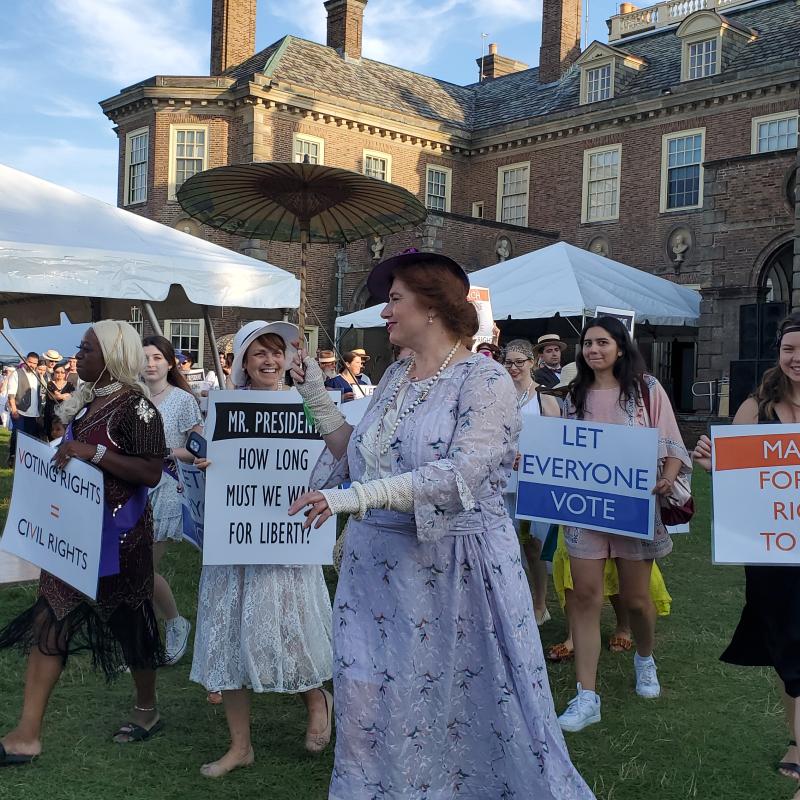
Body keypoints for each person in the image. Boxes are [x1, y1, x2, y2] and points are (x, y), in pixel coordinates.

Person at [288, 250, 594, 799]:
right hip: (375, 573)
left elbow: (459, 477)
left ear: (431, 307)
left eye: (395, 299)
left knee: (457, 699)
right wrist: (312, 387)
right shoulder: (395, 376)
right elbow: (356, 452)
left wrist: (352, 499)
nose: (385, 313)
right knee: (368, 696)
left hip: (455, 573)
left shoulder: (484, 379)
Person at [0, 320, 167, 765]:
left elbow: (151, 471)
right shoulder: (88, 402)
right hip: (71, 534)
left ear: (112, 357)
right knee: (50, 618)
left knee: (131, 625)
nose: (79, 356)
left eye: (88, 349)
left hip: (120, 537)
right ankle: (27, 733)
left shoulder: (138, 409)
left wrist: (88, 453)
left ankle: (147, 708)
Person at [190, 320, 333, 778]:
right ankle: (240, 746)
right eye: (260, 353)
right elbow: (205, 460)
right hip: (237, 541)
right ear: (244, 363)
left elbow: (334, 458)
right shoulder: (222, 407)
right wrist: (204, 461)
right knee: (231, 637)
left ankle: (316, 698)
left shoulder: (306, 405)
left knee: (288, 628)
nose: (270, 361)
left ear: (291, 359)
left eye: (278, 352)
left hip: (288, 538)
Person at [555, 316, 691, 733]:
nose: (593, 350)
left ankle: (645, 658)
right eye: (588, 344)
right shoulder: (573, 396)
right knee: (585, 598)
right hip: (583, 507)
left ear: (620, 346)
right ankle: (586, 695)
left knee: (636, 599)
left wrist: (668, 477)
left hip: (634, 506)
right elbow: (561, 447)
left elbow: (671, 443)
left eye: (602, 343)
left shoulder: (647, 390)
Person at [693, 312, 800, 789]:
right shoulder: (754, 409)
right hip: (773, 553)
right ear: (779, 354)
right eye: (790, 349)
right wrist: (717, 464)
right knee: (786, 649)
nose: (797, 359)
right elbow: (743, 481)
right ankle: (797, 737)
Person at [142, 335, 203, 666]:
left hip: (166, 487)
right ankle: (145, 639)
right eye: (144, 358)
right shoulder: (132, 397)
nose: (150, 363)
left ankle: (176, 622)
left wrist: (163, 452)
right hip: (132, 486)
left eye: (156, 357)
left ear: (169, 363)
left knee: (143, 569)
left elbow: (197, 448)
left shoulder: (182, 400)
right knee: (130, 570)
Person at [502, 338, 560, 625]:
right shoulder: (499, 396)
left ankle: (540, 603)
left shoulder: (544, 398)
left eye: (519, 362)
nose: (513, 368)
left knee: (533, 542)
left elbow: (556, 441)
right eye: (508, 362)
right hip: (503, 479)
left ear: (532, 363)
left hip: (534, 479)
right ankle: (516, 599)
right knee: (506, 542)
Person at [6, 352, 42, 465]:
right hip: (19, 411)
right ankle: (12, 457)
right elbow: (11, 394)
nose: (32, 365)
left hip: (33, 413)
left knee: (30, 438)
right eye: (30, 362)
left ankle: (25, 461)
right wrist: (14, 409)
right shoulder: (17, 374)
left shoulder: (37, 375)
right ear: (25, 361)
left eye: (34, 363)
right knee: (17, 435)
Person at [43, 365, 72, 443]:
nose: (60, 374)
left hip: (63, 416)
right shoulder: (50, 384)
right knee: (51, 436)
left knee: (62, 438)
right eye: (57, 372)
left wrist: (60, 396)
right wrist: (65, 395)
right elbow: (55, 397)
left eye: (62, 372)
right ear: (54, 373)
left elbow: (71, 397)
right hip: (51, 415)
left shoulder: (70, 385)